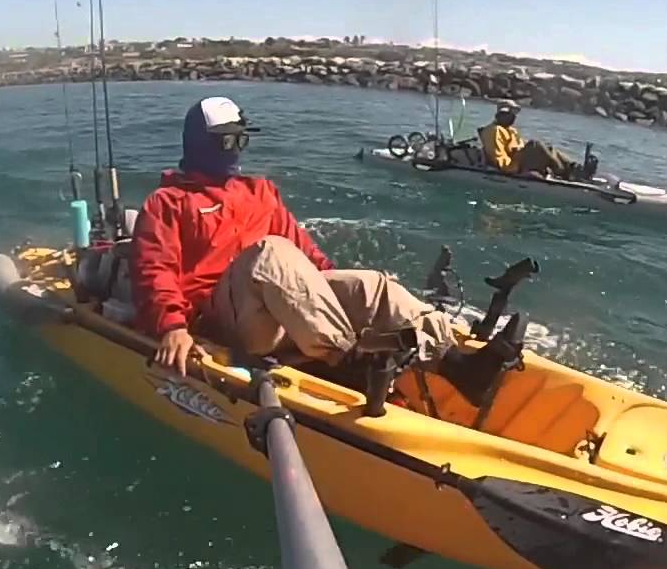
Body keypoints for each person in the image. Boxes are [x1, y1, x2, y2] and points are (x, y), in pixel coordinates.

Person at [130, 96, 496, 408]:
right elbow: (154, 271)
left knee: (369, 285)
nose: (238, 150)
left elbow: (307, 256)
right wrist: (173, 328)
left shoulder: (260, 192)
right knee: (270, 253)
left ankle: (456, 364)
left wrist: (342, 295)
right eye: (229, 142)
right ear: (203, 146)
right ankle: (350, 362)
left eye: (242, 141)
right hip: (223, 320)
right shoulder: (168, 203)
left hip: (275, 312)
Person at [479, 100, 591, 179]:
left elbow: (519, 146)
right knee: (535, 145)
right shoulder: (493, 131)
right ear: (501, 115)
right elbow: (499, 158)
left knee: (548, 147)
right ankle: (562, 171)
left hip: (518, 161)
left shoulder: (511, 131)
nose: (514, 117)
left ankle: (573, 168)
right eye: (511, 114)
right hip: (512, 166)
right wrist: (514, 169)